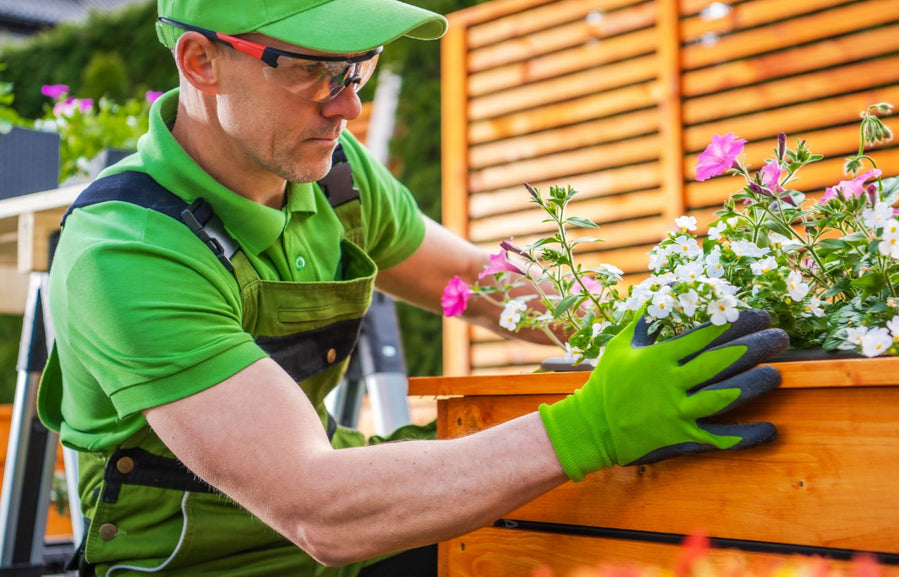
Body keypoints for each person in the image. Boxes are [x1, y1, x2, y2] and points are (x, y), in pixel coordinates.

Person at [36, 1, 790, 575]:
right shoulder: (129, 250)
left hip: (347, 530)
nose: (347, 106)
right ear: (200, 61)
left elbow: (474, 279)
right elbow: (317, 504)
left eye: (357, 68)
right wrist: (592, 426)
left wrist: (650, 325)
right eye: (310, 70)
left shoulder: (331, 173)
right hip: (209, 558)